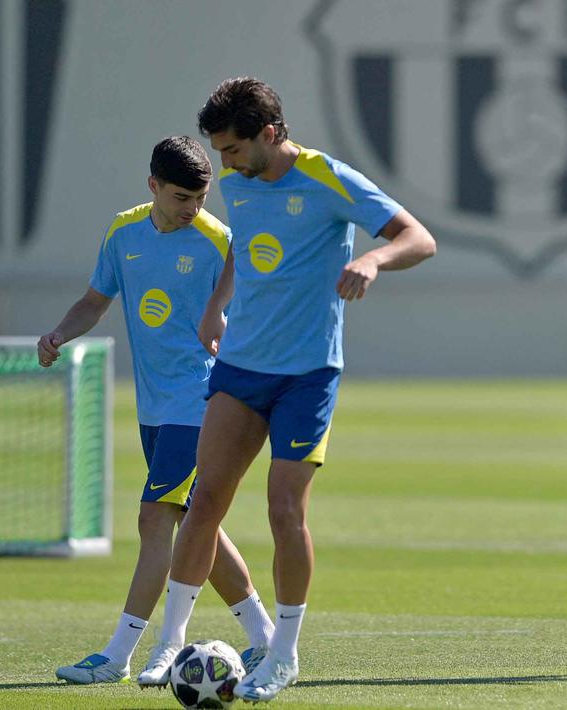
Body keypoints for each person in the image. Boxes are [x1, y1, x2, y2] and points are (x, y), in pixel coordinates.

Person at [136, 77, 436, 703]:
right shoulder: (240, 185)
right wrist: (217, 306)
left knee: (283, 510)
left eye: (233, 150)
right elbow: (243, 251)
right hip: (243, 366)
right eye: (218, 151)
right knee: (205, 497)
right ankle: (170, 644)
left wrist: (373, 261)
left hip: (307, 375)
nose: (225, 166)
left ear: (270, 134)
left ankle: (283, 653)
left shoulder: (329, 179)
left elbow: (418, 237)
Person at [40, 136, 275, 685]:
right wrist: (60, 333)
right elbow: (95, 301)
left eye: (200, 197)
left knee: (155, 520)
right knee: (200, 528)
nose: (193, 207)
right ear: (152, 188)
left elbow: (252, 308)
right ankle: (264, 638)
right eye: (180, 197)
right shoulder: (124, 233)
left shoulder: (221, 241)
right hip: (154, 406)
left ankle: (120, 655)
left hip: (201, 401)